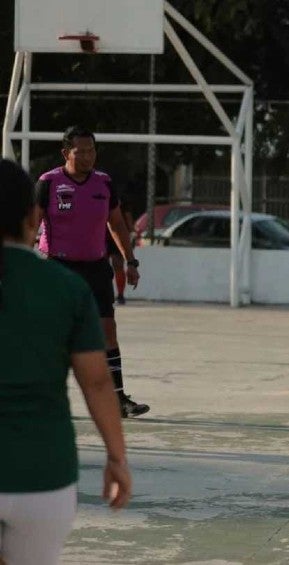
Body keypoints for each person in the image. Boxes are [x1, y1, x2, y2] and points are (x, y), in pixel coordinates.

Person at [0, 159, 131, 564]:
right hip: (43, 475)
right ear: (32, 216)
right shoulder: (67, 289)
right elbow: (95, 382)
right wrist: (116, 458)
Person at [35, 126, 149, 418]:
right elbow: (30, 227)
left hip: (96, 268)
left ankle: (119, 400)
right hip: (58, 268)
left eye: (91, 151)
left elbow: (117, 225)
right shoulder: (48, 183)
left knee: (107, 332)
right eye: (80, 151)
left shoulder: (104, 183)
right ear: (66, 153)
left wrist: (130, 261)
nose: (87, 156)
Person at [108, 203, 136, 306]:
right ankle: (106, 292)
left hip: (117, 233)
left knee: (118, 263)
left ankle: (120, 294)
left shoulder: (119, 195)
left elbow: (127, 215)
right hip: (102, 233)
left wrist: (132, 231)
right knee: (102, 265)